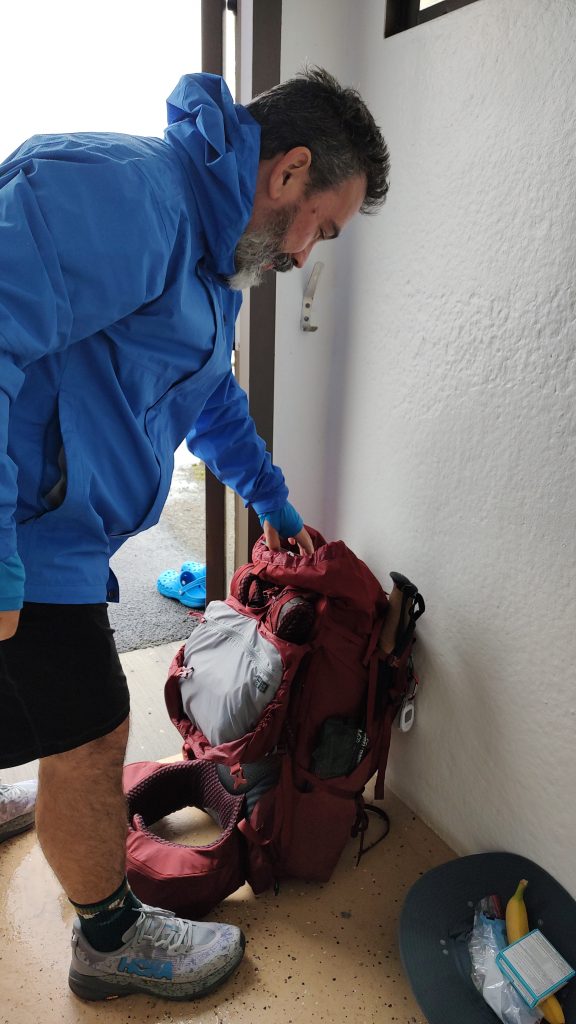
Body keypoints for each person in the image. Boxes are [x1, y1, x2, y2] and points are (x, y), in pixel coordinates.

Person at [0, 67, 390, 1001]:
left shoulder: (216, 270)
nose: (308, 253)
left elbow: (209, 401)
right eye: (322, 228)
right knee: (94, 729)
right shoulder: (128, 196)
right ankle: (108, 941)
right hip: (25, 528)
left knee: (51, 706)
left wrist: (277, 505)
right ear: (289, 172)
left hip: (63, 530)